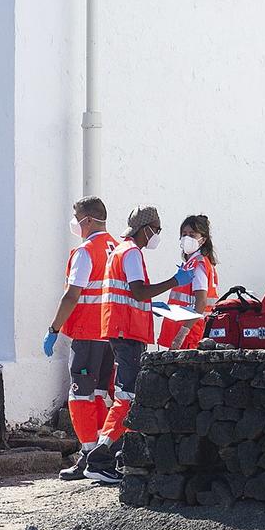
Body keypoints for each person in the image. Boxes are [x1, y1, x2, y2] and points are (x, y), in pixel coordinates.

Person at [85, 207, 189, 484]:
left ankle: (114, 456)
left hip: (123, 329)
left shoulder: (121, 251)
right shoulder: (131, 253)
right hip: (127, 332)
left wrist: (149, 305)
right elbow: (138, 290)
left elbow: (133, 295)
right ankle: (100, 457)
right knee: (127, 397)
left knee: (127, 395)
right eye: (157, 228)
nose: (158, 234)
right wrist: (173, 282)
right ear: (146, 229)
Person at [45, 197, 118, 481]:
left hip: (88, 333)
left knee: (80, 395)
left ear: (87, 219)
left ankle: (89, 455)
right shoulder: (116, 247)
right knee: (101, 393)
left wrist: (53, 329)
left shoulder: (87, 251)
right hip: (109, 332)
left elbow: (72, 294)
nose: (74, 221)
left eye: (76, 216)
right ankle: (102, 453)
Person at [156, 214, 217, 351]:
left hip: (190, 334)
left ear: (203, 240)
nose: (187, 238)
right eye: (184, 234)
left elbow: (201, 302)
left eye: (192, 234)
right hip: (188, 330)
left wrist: (182, 334)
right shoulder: (193, 263)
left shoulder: (198, 264)